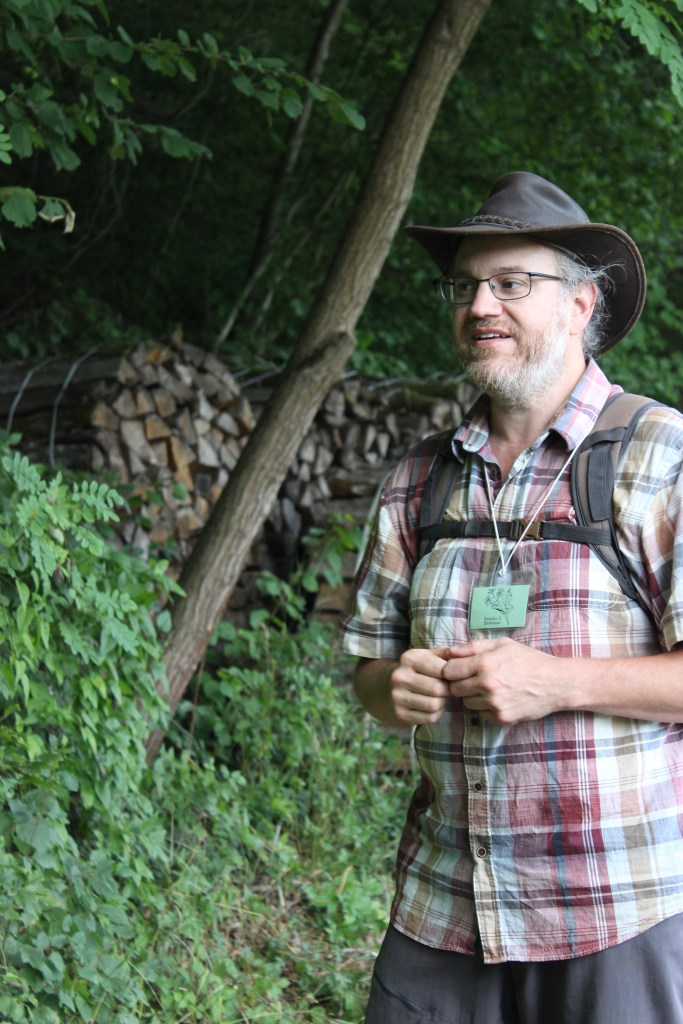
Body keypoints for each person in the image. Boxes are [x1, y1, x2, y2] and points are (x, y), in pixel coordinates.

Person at [336, 171, 683, 1024]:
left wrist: (557, 683)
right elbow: (368, 675)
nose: (480, 304)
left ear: (579, 304)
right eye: (465, 286)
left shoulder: (657, 455)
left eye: (511, 283)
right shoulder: (417, 478)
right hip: (441, 909)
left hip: (615, 911)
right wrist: (397, 687)